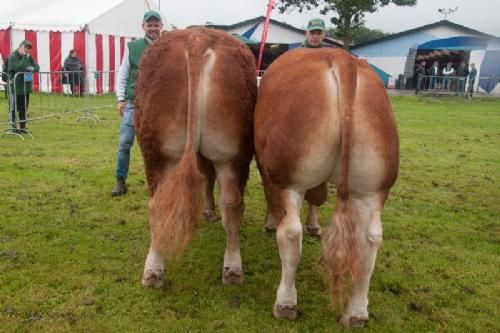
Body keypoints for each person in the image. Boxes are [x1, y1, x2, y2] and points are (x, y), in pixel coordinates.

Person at [111, 11, 163, 196]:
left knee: (160, 145)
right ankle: (120, 181)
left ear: (161, 26)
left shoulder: (169, 47)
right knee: (125, 143)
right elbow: (123, 74)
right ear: (143, 26)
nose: (153, 28)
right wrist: (120, 99)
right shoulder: (132, 47)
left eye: (156, 25)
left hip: (161, 106)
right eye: (149, 25)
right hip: (135, 103)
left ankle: (161, 182)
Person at [7, 40, 39, 133]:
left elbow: (37, 67)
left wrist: (32, 68)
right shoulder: (13, 56)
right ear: (20, 47)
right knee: (13, 109)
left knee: (24, 109)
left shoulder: (29, 56)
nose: (27, 50)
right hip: (15, 88)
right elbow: (20, 67)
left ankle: (22, 127)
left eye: (28, 49)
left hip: (26, 87)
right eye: (26, 48)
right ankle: (13, 128)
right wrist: (25, 58)